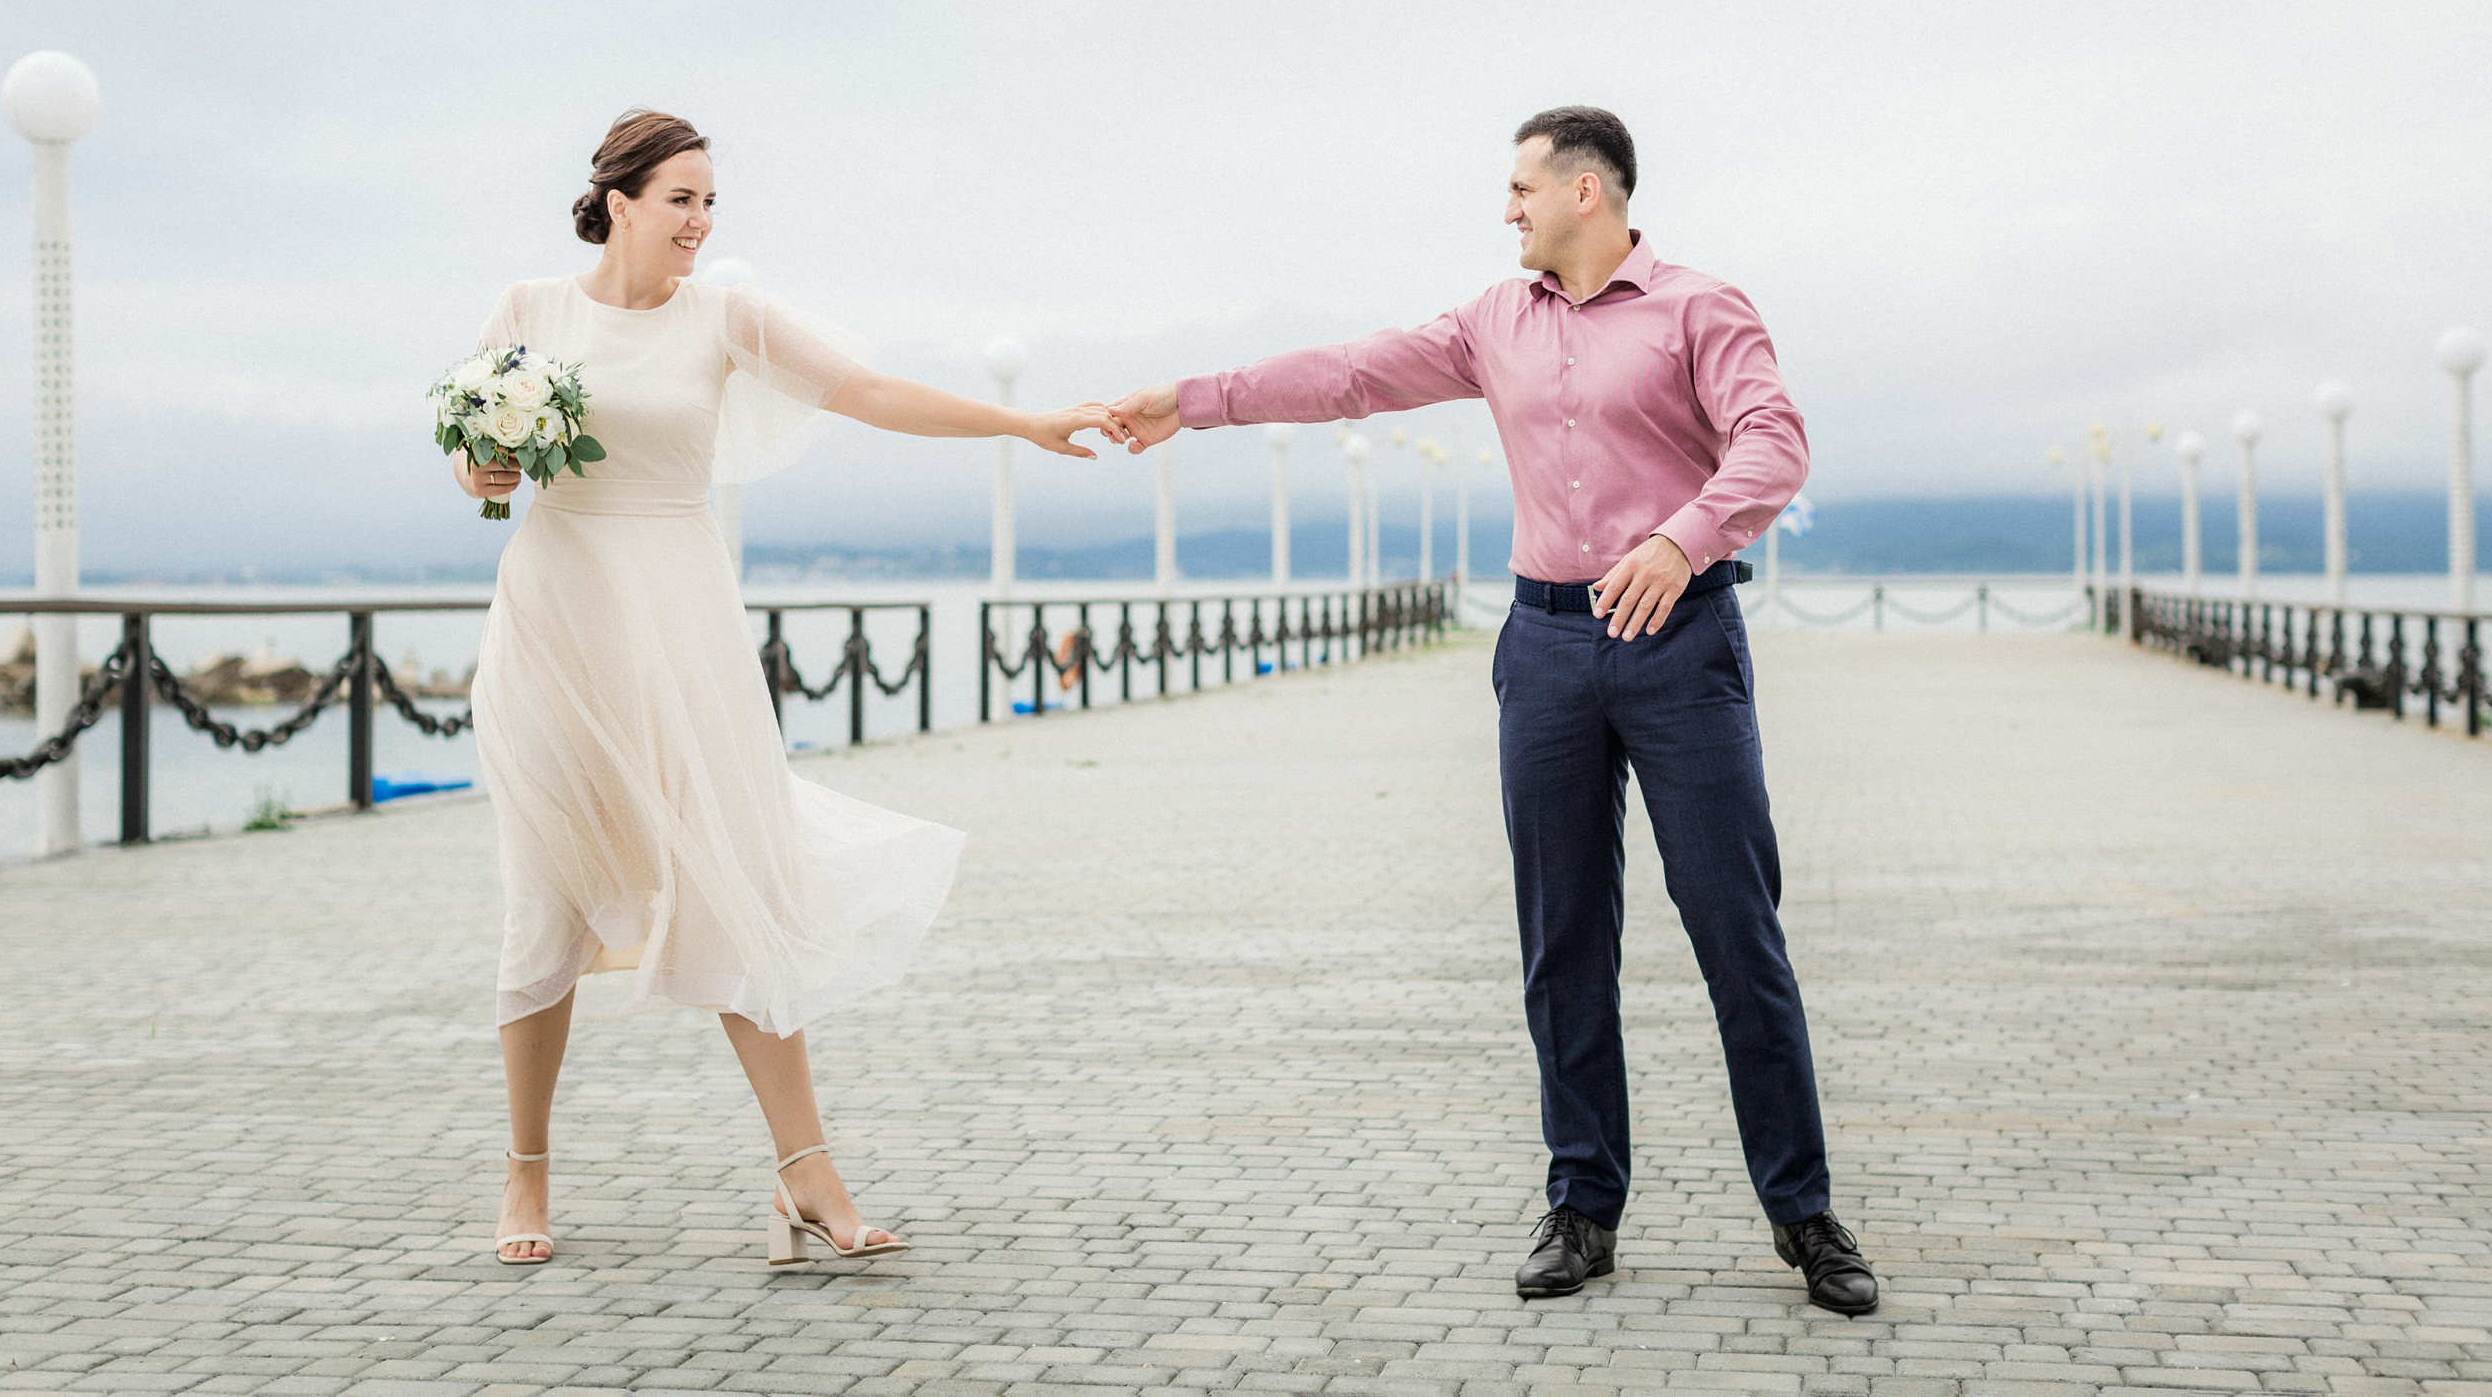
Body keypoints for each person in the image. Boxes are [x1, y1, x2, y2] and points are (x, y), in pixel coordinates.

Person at [1099, 106, 1877, 1313]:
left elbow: (1772, 444)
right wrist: (1192, 399)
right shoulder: (1490, 322)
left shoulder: (1699, 309)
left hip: (1682, 643)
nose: (1505, 210)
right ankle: (1582, 1207)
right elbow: (1348, 374)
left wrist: (1680, 540)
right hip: (1549, 646)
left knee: (1736, 930)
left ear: (1585, 192)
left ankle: (1804, 1214)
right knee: (1561, 939)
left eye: (1520, 188)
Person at [462, 109, 1110, 1268]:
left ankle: (805, 1178)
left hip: (681, 616)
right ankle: (524, 1178)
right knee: (544, 895)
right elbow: (475, 463)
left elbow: (867, 391)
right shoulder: (528, 310)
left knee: (735, 870)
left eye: (711, 203)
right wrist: (486, 465)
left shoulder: (726, 316)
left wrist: (1022, 421)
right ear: (618, 201)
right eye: (681, 201)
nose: (700, 224)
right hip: (556, 623)